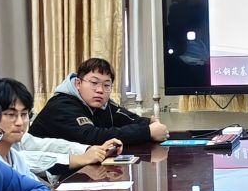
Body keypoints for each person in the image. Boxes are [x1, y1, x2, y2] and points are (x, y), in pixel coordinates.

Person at [0, 74, 121, 179]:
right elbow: (31, 159)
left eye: (24, 114)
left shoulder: (14, 153)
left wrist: (89, 150)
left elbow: (45, 145)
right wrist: (80, 158)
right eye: (11, 114)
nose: (20, 122)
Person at [31, 57, 168, 146]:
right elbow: (91, 137)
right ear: (78, 84)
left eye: (106, 85)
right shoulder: (61, 106)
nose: (100, 90)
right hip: (45, 176)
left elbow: (128, 119)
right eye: (94, 83)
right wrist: (146, 132)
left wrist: (149, 124)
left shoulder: (102, 104)